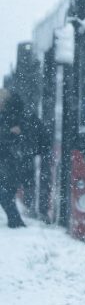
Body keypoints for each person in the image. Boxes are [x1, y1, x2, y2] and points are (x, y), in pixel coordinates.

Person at [0, 89, 29, 228]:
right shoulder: (13, 115)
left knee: (5, 192)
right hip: (9, 158)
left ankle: (15, 221)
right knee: (6, 191)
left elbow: (15, 135)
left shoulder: (12, 116)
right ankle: (15, 221)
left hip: (8, 158)